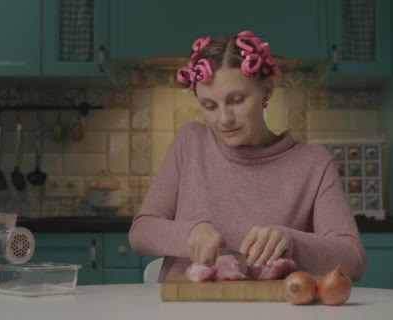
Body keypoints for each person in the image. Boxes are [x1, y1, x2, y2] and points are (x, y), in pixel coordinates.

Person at [129, 30, 366, 283]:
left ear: (266, 90)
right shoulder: (190, 142)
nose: (224, 119)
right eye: (209, 106)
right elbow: (141, 233)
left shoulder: (313, 163)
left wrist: (291, 241)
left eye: (237, 100)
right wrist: (190, 233)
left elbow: (353, 259)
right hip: (185, 306)